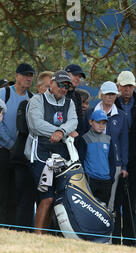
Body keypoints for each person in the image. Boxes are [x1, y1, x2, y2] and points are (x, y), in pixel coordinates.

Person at [24, 70, 78, 234]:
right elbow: (36, 124)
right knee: (46, 197)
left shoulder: (70, 103)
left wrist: (61, 132)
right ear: (52, 84)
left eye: (67, 86)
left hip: (60, 156)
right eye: (61, 84)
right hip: (39, 155)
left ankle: (46, 235)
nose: (63, 88)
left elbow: (74, 121)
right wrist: (61, 131)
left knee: (54, 199)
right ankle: (38, 235)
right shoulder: (37, 100)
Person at [84, 81, 129, 241]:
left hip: (113, 165)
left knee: (109, 203)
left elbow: (124, 142)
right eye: (107, 94)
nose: (110, 97)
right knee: (90, 201)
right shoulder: (90, 113)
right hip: (92, 165)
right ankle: (89, 235)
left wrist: (124, 165)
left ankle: (106, 238)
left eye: (113, 95)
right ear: (101, 94)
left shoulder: (121, 115)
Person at [0, 63, 35, 230]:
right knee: (2, 191)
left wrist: (18, 147)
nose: (29, 78)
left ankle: (12, 228)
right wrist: (10, 144)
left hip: (21, 154)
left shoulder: (33, 98)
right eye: (25, 74)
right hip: (3, 151)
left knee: (17, 192)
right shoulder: (3, 93)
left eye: (31, 75)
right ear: (17, 76)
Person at [113, 70, 136, 246]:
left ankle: (132, 241)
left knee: (133, 203)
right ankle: (113, 240)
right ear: (118, 86)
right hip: (115, 159)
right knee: (114, 201)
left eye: (130, 86)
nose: (127, 89)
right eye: (124, 86)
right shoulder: (112, 103)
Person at [79, 110, 116, 204]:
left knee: (104, 208)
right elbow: (81, 159)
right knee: (89, 208)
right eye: (98, 122)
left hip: (106, 180)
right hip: (90, 179)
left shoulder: (108, 139)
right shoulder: (84, 138)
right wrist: (85, 177)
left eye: (103, 123)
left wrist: (111, 177)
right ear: (91, 122)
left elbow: (112, 160)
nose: (101, 125)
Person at [65, 64, 86, 133]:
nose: (78, 79)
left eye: (79, 77)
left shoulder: (77, 96)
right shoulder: (58, 93)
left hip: (74, 138)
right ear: (66, 74)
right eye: (75, 75)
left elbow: (79, 121)